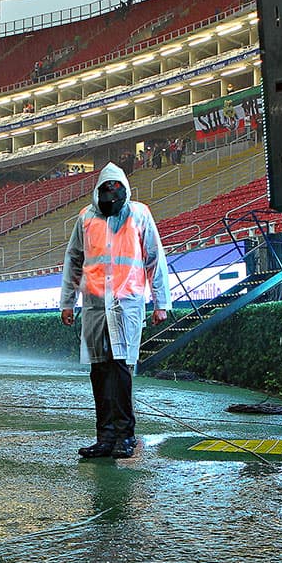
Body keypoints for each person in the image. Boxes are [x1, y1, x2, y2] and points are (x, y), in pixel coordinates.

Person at [61, 162, 171, 459]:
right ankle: (105, 437)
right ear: (98, 192)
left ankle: (125, 436)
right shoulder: (85, 218)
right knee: (99, 370)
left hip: (127, 304)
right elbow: (73, 260)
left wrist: (161, 302)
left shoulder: (139, 214)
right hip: (95, 306)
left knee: (120, 369)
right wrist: (67, 302)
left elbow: (154, 259)